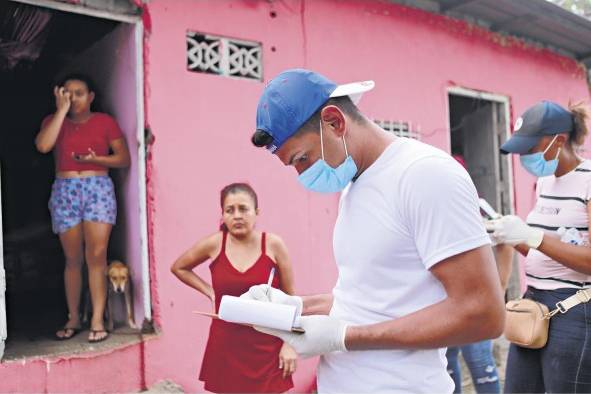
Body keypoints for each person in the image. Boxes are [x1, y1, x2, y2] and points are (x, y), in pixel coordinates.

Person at [241, 69, 505, 393]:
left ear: (335, 122)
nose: (301, 174)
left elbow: (483, 313)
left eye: (302, 159)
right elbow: (369, 300)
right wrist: (294, 308)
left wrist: (342, 338)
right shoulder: (354, 182)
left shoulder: (424, 175)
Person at [488, 100, 591, 393]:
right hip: (533, 304)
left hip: (573, 309)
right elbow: (546, 254)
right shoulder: (545, 183)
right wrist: (512, 236)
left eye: (531, 148)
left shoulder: (588, 180)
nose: (525, 157)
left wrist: (535, 237)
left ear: (559, 140)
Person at [171, 183, 297, 393]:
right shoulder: (214, 244)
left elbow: (291, 299)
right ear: (223, 215)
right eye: (230, 210)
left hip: (267, 346)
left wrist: (289, 344)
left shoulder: (273, 244)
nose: (237, 215)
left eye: (243, 209)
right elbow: (179, 267)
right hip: (225, 344)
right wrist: (209, 291)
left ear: (257, 213)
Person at [35, 73, 130, 343]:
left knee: (97, 256)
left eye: (78, 93)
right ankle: (74, 317)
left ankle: (97, 320)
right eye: (67, 92)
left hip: (97, 187)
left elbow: (123, 158)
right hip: (65, 190)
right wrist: (61, 111)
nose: (73, 97)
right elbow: (43, 145)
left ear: (90, 97)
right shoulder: (53, 122)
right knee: (72, 258)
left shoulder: (104, 122)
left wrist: (96, 159)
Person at [445, 156, 514, 394]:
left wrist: (500, 290)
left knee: (480, 362)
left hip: (476, 302)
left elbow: (506, 243)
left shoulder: (480, 206)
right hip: (442, 304)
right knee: (447, 365)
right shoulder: (434, 206)